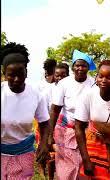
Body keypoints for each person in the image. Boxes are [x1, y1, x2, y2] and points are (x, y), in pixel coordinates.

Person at [1, 42, 50, 179]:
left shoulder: (36, 94)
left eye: (20, 74)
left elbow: (44, 122)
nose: (16, 79)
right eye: (11, 75)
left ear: (26, 72)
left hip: (24, 151)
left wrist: (44, 144)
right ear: (4, 74)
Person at [48, 49, 95, 180]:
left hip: (87, 131)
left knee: (84, 165)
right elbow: (54, 110)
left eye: (83, 65)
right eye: (77, 65)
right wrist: (49, 135)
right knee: (65, 168)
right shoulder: (64, 83)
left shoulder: (94, 84)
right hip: (66, 131)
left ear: (88, 68)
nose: (80, 68)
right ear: (73, 67)